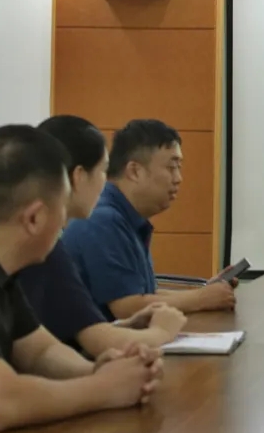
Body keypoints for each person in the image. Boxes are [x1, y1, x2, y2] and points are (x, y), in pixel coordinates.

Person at [0, 125, 162, 432]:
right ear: (35, 218)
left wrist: (99, 370)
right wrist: (104, 388)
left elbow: (38, 350)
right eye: (63, 211)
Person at [16, 116, 187, 356]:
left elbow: (44, 349)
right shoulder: (44, 247)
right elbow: (96, 339)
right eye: (103, 171)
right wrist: (161, 332)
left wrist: (114, 339)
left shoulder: (45, 245)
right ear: (79, 176)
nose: (107, 183)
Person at [62, 119, 236, 319]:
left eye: (179, 167)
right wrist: (201, 298)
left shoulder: (125, 217)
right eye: (171, 167)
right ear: (135, 171)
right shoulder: (103, 220)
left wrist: (205, 292)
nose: (178, 178)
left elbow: (145, 294)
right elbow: (128, 306)